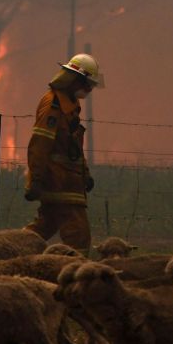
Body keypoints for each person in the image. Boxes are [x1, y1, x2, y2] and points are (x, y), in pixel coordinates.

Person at [24, 53, 103, 251]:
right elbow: (40, 144)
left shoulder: (70, 105)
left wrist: (85, 174)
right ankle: (76, 276)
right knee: (79, 236)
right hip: (59, 182)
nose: (89, 90)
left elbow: (72, 148)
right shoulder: (54, 105)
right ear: (74, 80)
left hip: (68, 180)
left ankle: (10, 252)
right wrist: (36, 179)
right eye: (87, 84)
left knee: (43, 227)